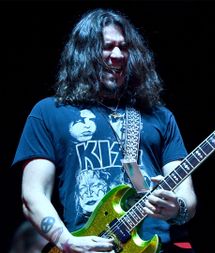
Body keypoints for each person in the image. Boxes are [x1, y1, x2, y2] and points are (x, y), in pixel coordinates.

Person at [12, 9, 197, 253]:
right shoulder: (49, 112)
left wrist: (178, 208)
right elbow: (32, 195)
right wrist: (67, 241)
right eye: (107, 47)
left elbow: (188, 196)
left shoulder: (160, 116)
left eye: (124, 47)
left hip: (155, 246)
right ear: (84, 53)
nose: (118, 55)